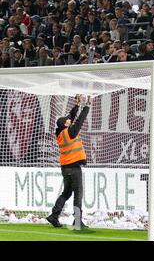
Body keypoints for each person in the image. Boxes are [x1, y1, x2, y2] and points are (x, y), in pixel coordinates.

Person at [46, 94, 92, 229]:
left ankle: (54, 216)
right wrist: (87, 105)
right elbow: (80, 120)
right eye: (67, 121)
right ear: (65, 124)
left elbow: (71, 117)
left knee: (66, 193)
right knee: (78, 194)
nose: (69, 120)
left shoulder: (60, 133)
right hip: (74, 168)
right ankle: (77, 221)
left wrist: (77, 104)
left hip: (65, 168)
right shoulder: (70, 132)